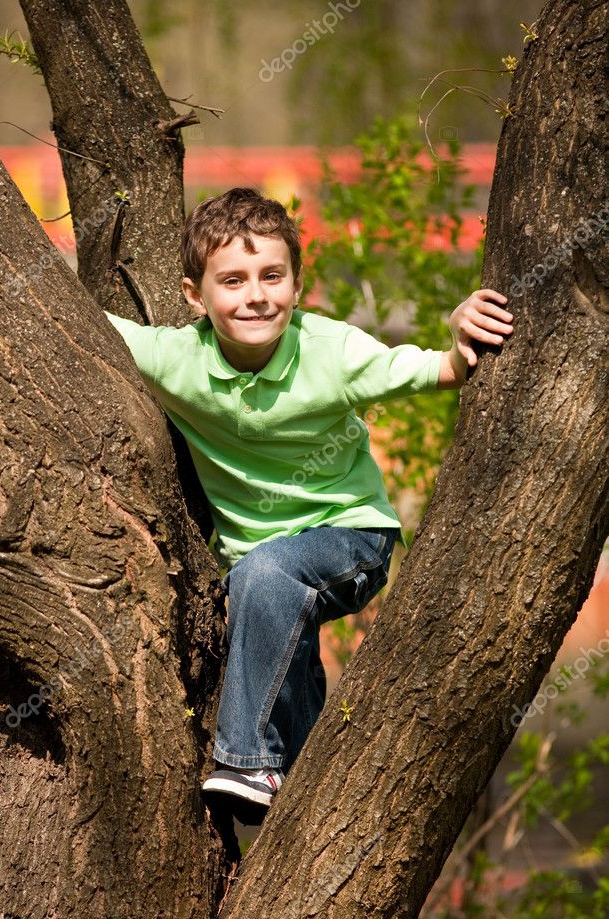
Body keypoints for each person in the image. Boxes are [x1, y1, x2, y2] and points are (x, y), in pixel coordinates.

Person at [105, 187, 513, 824]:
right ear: (195, 295)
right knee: (265, 590)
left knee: (266, 575)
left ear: (298, 282)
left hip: (350, 538)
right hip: (257, 569)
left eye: (272, 275)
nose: (255, 295)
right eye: (232, 280)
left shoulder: (330, 351)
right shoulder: (176, 359)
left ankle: (246, 761)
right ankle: (303, 776)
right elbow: (83, 329)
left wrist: (461, 333)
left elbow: (436, 368)